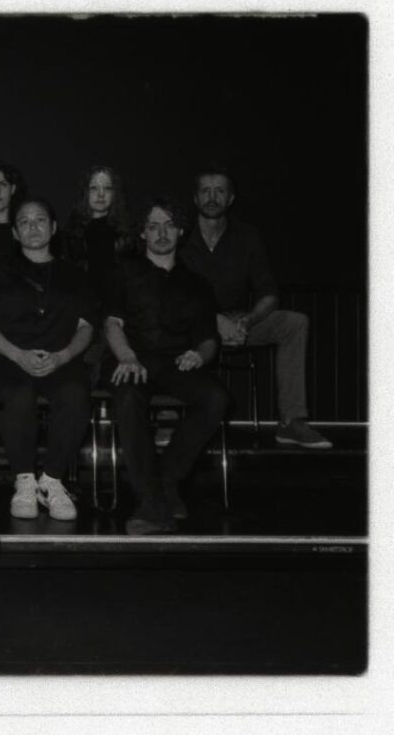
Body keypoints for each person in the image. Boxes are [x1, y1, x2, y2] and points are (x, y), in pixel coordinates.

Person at [179, 166, 331, 449]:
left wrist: (247, 321)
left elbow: (269, 293)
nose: (212, 197)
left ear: (231, 198)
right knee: (166, 323)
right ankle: (170, 419)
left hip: (238, 324)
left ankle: (291, 422)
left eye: (220, 191)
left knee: (294, 322)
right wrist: (214, 321)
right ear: (195, 198)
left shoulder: (247, 236)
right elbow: (173, 293)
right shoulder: (179, 235)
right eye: (205, 191)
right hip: (192, 327)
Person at [104, 198, 230, 535]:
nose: (161, 233)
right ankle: (151, 504)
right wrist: (126, 356)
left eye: (169, 225)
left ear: (181, 231)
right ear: (142, 233)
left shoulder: (196, 283)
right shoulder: (124, 272)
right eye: (153, 226)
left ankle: (164, 482)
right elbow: (112, 323)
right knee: (128, 396)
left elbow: (208, 339)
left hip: (176, 362)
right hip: (132, 357)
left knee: (215, 397)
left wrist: (199, 355)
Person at [0, 197, 93, 521]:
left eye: (40, 220)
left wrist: (63, 356)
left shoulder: (74, 275)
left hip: (58, 358)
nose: (33, 227)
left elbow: (86, 327)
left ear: (53, 228)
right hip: (6, 357)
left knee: (75, 393)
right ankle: (24, 481)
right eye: (24, 222)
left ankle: (51, 482)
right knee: (20, 393)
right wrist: (17, 355)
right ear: (14, 232)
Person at [61, 165, 133, 309]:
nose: (101, 194)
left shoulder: (126, 233)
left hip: (117, 311)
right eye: (94, 188)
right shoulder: (71, 233)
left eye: (107, 188)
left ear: (115, 194)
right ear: (85, 192)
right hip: (79, 309)